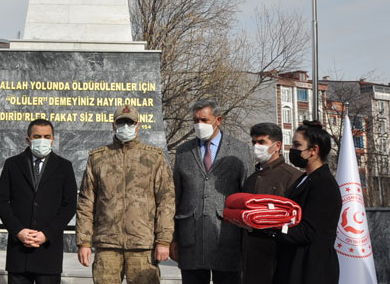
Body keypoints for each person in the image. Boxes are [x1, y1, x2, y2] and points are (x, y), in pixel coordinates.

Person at [75, 105, 175, 284]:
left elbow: (166, 201)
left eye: (130, 123)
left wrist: (163, 240)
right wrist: (83, 242)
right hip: (107, 245)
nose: (125, 127)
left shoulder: (154, 158)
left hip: (143, 245)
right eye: (121, 123)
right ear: (113, 125)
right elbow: (86, 202)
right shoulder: (97, 158)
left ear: (138, 125)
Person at [171, 99, 252, 284]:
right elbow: (176, 196)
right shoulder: (184, 152)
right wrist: (173, 238)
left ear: (218, 120)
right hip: (191, 239)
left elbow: (247, 196)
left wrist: (246, 241)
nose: (199, 125)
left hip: (227, 237)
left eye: (204, 120)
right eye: (196, 120)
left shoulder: (239, 150)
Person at [0, 119, 78, 284]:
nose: (43, 140)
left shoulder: (64, 166)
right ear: (28, 139)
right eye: (37, 136)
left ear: (53, 139)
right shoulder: (12, 164)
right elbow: (2, 201)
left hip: (48, 252)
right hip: (19, 251)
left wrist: (46, 234)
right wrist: (18, 231)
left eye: (47, 136)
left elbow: (69, 205)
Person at [272, 121, 342, 284]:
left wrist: (275, 227)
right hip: (294, 262)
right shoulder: (305, 179)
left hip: (312, 268)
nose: (292, 150)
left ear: (314, 150)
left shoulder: (324, 184)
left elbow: (310, 231)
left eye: (297, 145)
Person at [241, 123, 302, 284]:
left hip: (278, 257)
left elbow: (297, 221)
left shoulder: (292, 177)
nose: (256, 147)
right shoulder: (251, 179)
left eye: (262, 142)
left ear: (277, 146)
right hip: (251, 258)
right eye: (254, 142)